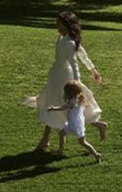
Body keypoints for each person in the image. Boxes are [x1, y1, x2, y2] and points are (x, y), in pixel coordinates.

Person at [23, 11, 107, 150]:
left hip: (65, 77)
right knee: (54, 103)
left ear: (65, 25)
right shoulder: (62, 38)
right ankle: (45, 139)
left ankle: (99, 125)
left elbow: (75, 62)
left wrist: (77, 83)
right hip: (57, 74)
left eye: (59, 23)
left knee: (69, 109)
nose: (56, 25)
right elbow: (82, 54)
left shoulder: (68, 42)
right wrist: (94, 71)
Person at [47, 80, 102, 163]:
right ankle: (60, 150)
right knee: (62, 134)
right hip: (76, 122)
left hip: (75, 124)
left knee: (83, 142)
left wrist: (53, 108)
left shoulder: (72, 101)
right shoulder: (80, 98)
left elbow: (63, 107)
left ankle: (96, 155)